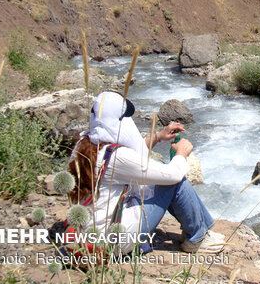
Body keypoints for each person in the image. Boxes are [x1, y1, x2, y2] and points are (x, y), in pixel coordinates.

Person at [68, 91, 225, 255]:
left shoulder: (84, 144)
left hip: (89, 231)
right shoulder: (117, 157)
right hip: (113, 239)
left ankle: (199, 229)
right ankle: (197, 238)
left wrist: (158, 137)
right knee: (174, 180)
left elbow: (132, 157)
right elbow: (172, 175)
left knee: (159, 170)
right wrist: (181, 153)